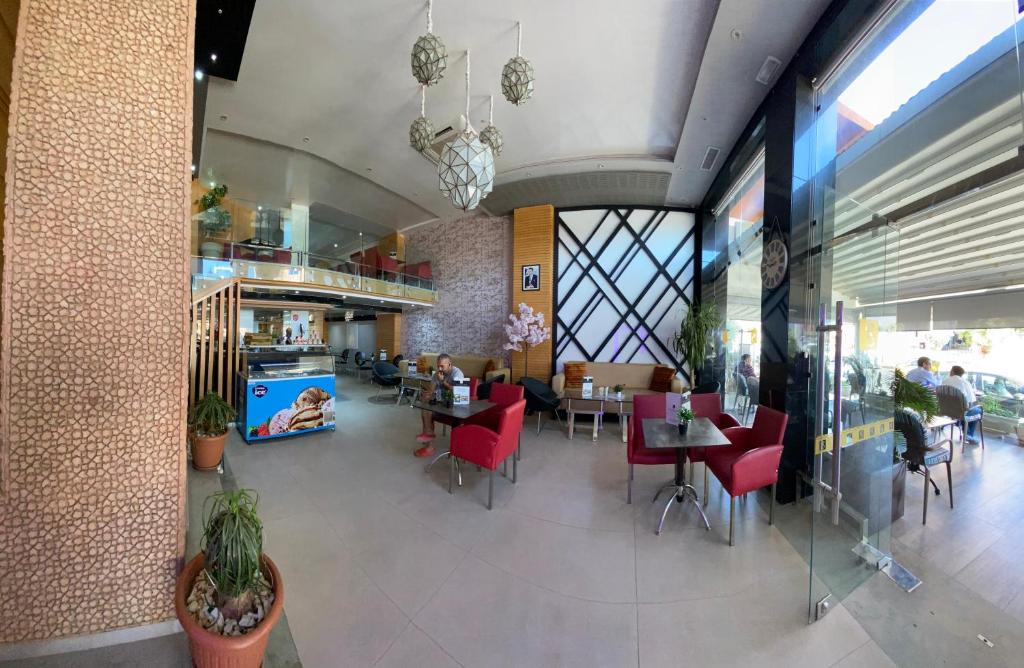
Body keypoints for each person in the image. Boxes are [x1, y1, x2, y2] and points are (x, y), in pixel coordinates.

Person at [414, 353, 465, 457]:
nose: (439, 368)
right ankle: (428, 440)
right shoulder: (437, 374)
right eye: (438, 366)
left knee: (427, 410)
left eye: (442, 366)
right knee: (425, 407)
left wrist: (443, 382)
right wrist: (426, 395)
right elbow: (431, 391)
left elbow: (459, 392)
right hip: (443, 403)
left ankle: (428, 436)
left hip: (456, 406)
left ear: (449, 364)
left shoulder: (457, 373)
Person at [942, 365, 982, 444]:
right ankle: (968, 435)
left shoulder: (944, 381)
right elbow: (971, 400)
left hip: (945, 411)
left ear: (952, 372)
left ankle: (959, 424)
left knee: (964, 412)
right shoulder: (965, 383)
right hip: (960, 412)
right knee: (977, 410)